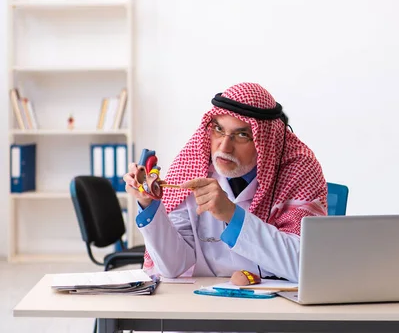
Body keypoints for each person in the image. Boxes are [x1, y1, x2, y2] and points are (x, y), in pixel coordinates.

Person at [123, 82, 328, 283]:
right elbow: (173, 267)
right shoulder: (194, 165)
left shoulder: (298, 171)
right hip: (203, 304)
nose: (224, 147)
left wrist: (231, 214)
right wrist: (149, 206)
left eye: (241, 135)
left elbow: (307, 266)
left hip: (276, 308)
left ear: (264, 141)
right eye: (219, 130)